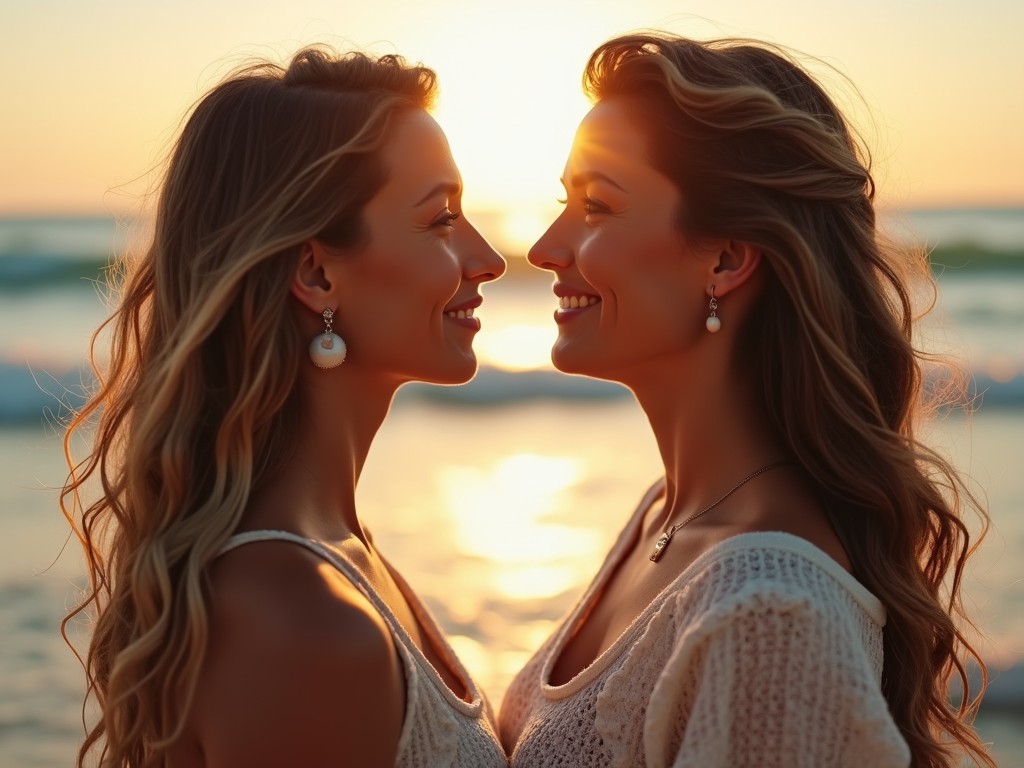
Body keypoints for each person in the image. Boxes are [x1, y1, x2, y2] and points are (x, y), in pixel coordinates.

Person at [499, 33, 993, 768]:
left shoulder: (769, 611)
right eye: (563, 202)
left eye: (596, 206)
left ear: (726, 258)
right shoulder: (665, 515)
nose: (544, 246)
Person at [60, 47, 508, 767]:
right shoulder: (303, 626)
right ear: (315, 273)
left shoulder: (337, 558)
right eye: (441, 221)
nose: (488, 259)